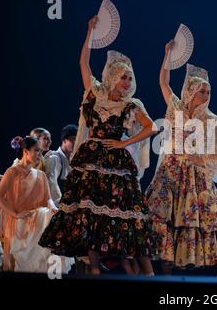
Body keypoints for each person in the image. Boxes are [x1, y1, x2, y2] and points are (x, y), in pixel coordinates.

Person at [39, 16, 157, 276]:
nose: (127, 82)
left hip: (115, 162)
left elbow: (152, 128)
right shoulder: (93, 93)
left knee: (124, 216)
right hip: (90, 158)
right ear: (112, 77)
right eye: (123, 77)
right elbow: (83, 63)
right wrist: (89, 31)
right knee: (88, 214)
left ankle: (142, 273)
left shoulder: (130, 105)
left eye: (129, 78)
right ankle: (94, 269)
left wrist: (124, 143)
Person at [145, 40, 217, 276]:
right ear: (190, 91)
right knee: (166, 216)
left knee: (206, 219)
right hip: (170, 170)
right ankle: (165, 273)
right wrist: (167, 55)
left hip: (195, 176)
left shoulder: (211, 119)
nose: (205, 95)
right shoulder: (176, 108)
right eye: (201, 91)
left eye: (208, 92)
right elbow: (163, 82)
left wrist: (203, 158)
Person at [0, 136, 72, 272]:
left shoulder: (41, 175)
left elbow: (48, 200)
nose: (39, 155)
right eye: (36, 151)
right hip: (20, 219)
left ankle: (53, 272)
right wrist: (16, 214)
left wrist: (54, 209)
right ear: (25, 151)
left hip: (38, 219)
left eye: (41, 152)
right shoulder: (12, 172)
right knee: (47, 221)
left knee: (53, 217)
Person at [44, 124, 77, 204]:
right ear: (65, 140)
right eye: (73, 139)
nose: (76, 143)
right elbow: (50, 186)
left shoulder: (74, 161)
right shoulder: (54, 158)